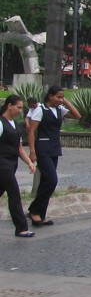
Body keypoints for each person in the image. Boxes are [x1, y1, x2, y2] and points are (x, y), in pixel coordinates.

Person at [26, 85, 81, 226]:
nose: (60, 100)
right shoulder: (40, 110)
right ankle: (34, 210)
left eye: (62, 97)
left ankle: (39, 213)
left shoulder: (59, 109)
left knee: (46, 182)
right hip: (42, 148)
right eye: (58, 97)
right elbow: (32, 131)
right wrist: (32, 152)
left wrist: (66, 101)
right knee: (51, 179)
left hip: (54, 148)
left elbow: (77, 116)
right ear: (50, 96)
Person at [1, 95, 37, 237]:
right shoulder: (0, 123)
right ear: (9, 105)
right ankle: (21, 228)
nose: (20, 111)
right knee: (14, 193)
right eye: (18, 107)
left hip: (11, 164)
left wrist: (29, 162)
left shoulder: (15, 125)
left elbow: (19, 147)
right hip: (2, 165)